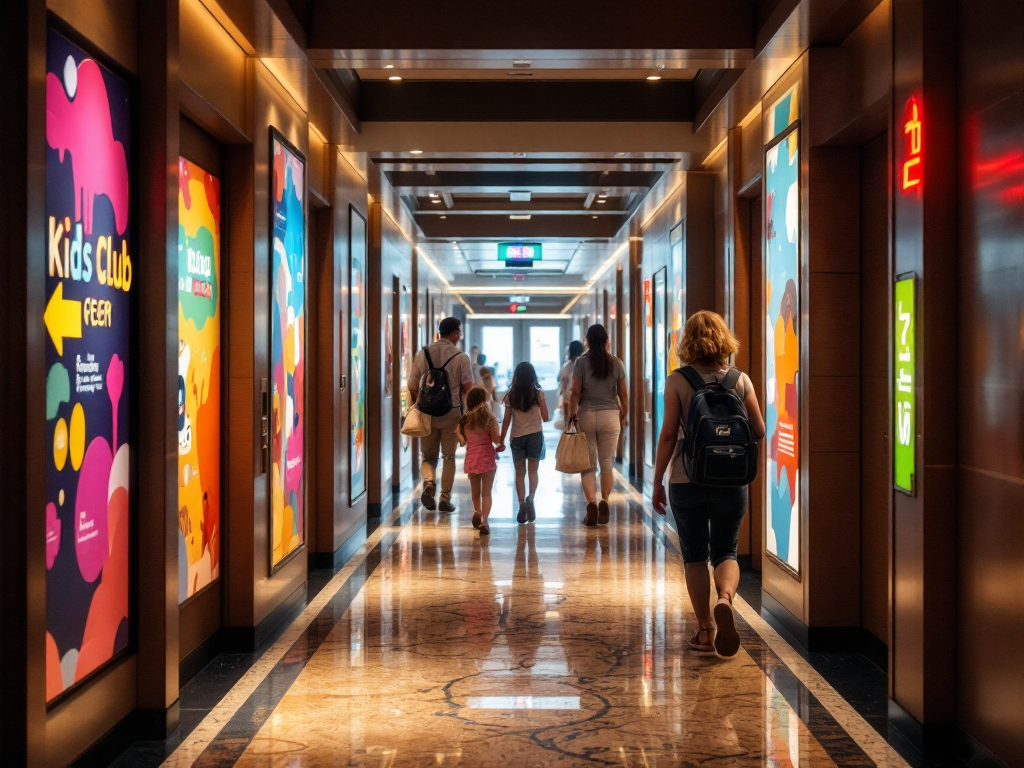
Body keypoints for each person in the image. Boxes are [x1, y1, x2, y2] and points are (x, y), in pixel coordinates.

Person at [651, 310, 766, 658]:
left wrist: (657, 481)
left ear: (688, 342)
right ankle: (726, 599)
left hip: (687, 479)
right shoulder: (739, 379)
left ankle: (704, 631)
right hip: (732, 479)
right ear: (724, 339)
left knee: (695, 554)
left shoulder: (677, 380)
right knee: (726, 550)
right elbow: (759, 430)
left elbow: (669, 435)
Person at [408, 317, 474, 512]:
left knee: (428, 456)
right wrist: (468, 415)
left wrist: (420, 407)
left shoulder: (423, 354)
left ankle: (429, 482)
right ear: (455, 334)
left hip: (426, 414)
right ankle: (445, 499)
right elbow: (469, 390)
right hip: (451, 414)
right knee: (449, 458)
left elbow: (412, 386)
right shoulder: (461, 357)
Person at [565, 325, 628, 527]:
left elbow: (575, 392)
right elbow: (623, 394)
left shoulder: (581, 362)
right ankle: (605, 501)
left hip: (587, 415)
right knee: (607, 463)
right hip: (610, 416)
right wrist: (624, 417)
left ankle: (591, 503)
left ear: (588, 341)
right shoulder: (616, 363)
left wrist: (572, 414)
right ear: (606, 340)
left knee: (589, 464)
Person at [499, 362, 550, 524]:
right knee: (533, 471)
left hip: (517, 437)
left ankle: (521, 504)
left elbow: (506, 421)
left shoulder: (510, 395)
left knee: (519, 473)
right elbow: (546, 417)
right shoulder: (538, 394)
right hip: (535, 435)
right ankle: (531, 499)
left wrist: (501, 440)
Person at [457, 386, 503, 536]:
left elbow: (462, 440)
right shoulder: (489, 419)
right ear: (484, 401)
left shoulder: (465, 420)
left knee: (475, 492)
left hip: (472, 459)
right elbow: (496, 439)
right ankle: (484, 521)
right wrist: (501, 443)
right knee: (487, 493)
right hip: (487, 459)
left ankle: (477, 511)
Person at [558, 340, 585, 409]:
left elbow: (563, 386)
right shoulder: (584, 365)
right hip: (578, 400)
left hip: (572, 399)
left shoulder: (566, 366)